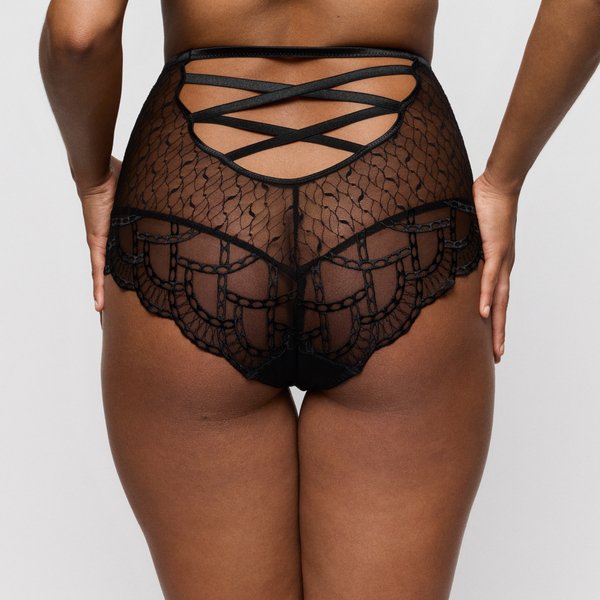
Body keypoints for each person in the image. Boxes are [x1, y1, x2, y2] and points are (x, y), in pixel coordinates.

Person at [39, 1, 600, 598]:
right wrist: (505, 180)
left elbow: (79, 34)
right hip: (393, 195)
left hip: (195, 203)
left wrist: (91, 178)